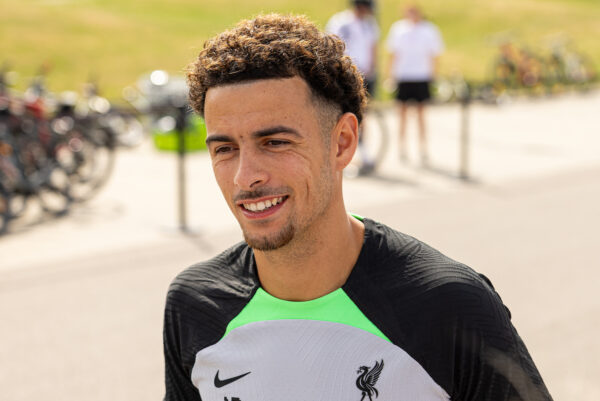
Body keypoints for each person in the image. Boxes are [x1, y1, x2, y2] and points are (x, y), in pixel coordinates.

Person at [163, 13, 553, 401]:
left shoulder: (449, 305)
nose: (244, 178)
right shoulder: (194, 304)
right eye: (225, 149)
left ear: (344, 142)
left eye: (275, 143)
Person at [326, 0, 380, 174]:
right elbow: (332, 48)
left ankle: (363, 153)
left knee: (362, 116)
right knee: (343, 115)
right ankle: (343, 155)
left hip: (364, 75)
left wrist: (373, 70)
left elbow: (373, 48)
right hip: (345, 75)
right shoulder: (341, 22)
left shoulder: (370, 25)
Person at [386, 5, 443, 165]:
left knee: (421, 114)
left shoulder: (429, 30)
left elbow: (434, 55)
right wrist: (391, 75)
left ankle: (422, 147)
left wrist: (433, 75)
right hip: (404, 76)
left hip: (421, 76)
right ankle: (402, 146)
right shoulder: (398, 29)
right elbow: (394, 54)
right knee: (402, 114)